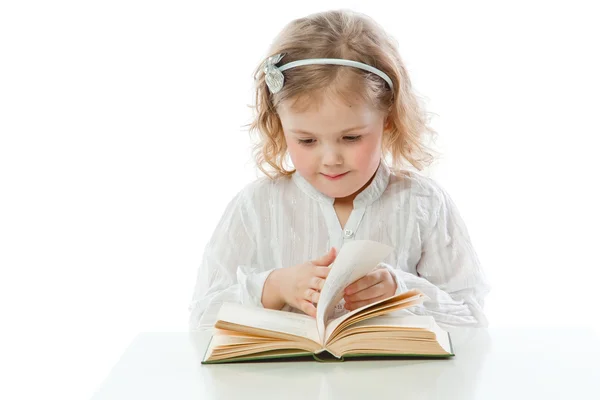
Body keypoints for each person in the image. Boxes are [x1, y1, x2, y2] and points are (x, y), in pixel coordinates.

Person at [188, 9, 490, 331]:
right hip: (284, 383)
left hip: (396, 382)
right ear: (279, 125)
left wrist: (398, 291)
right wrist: (273, 288)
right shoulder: (255, 207)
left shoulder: (424, 205)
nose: (330, 158)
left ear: (388, 120)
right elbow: (201, 320)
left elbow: (471, 321)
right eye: (306, 140)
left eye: (351, 137)